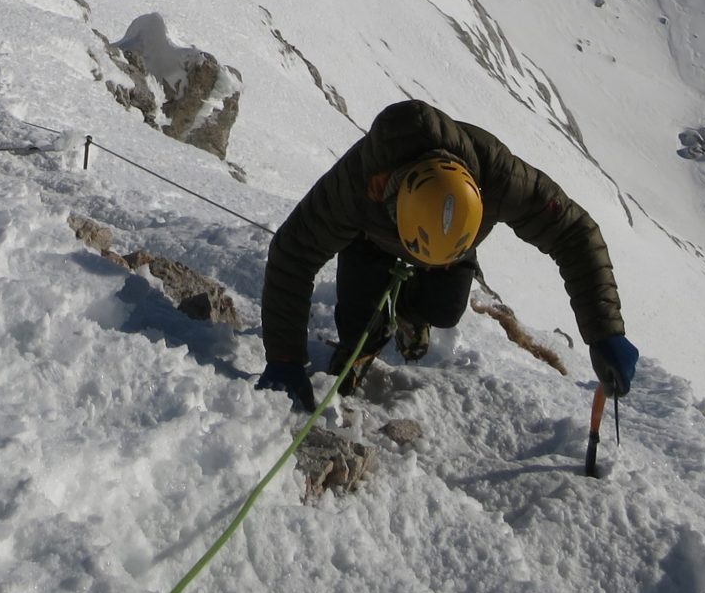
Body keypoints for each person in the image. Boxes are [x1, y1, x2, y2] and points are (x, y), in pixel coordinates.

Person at [255, 98, 638, 411]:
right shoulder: (356, 186)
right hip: (371, 240)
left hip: (454, 249)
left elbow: (572, 231)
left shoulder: (498, 175)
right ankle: (365, 339)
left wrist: (605, 331)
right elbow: (294, 254)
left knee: (444, 309)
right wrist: (285, 358)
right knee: (360, 316)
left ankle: (410, 313)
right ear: (381, 190)